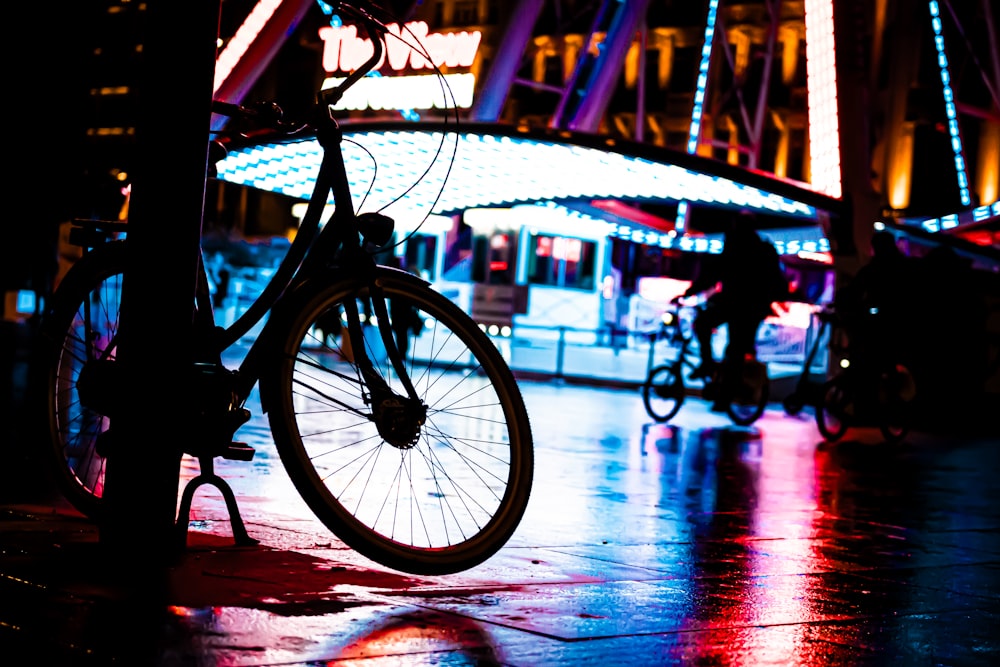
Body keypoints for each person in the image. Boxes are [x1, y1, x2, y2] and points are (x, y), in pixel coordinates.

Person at [682, 222, 788, 379]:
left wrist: (689, 293)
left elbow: (712, 274)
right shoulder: (760, 251)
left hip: (739, 304)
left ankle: (711, 369)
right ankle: (724, 386)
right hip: (752, 307)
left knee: (708, 328)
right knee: (736, 349)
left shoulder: (735, 250)